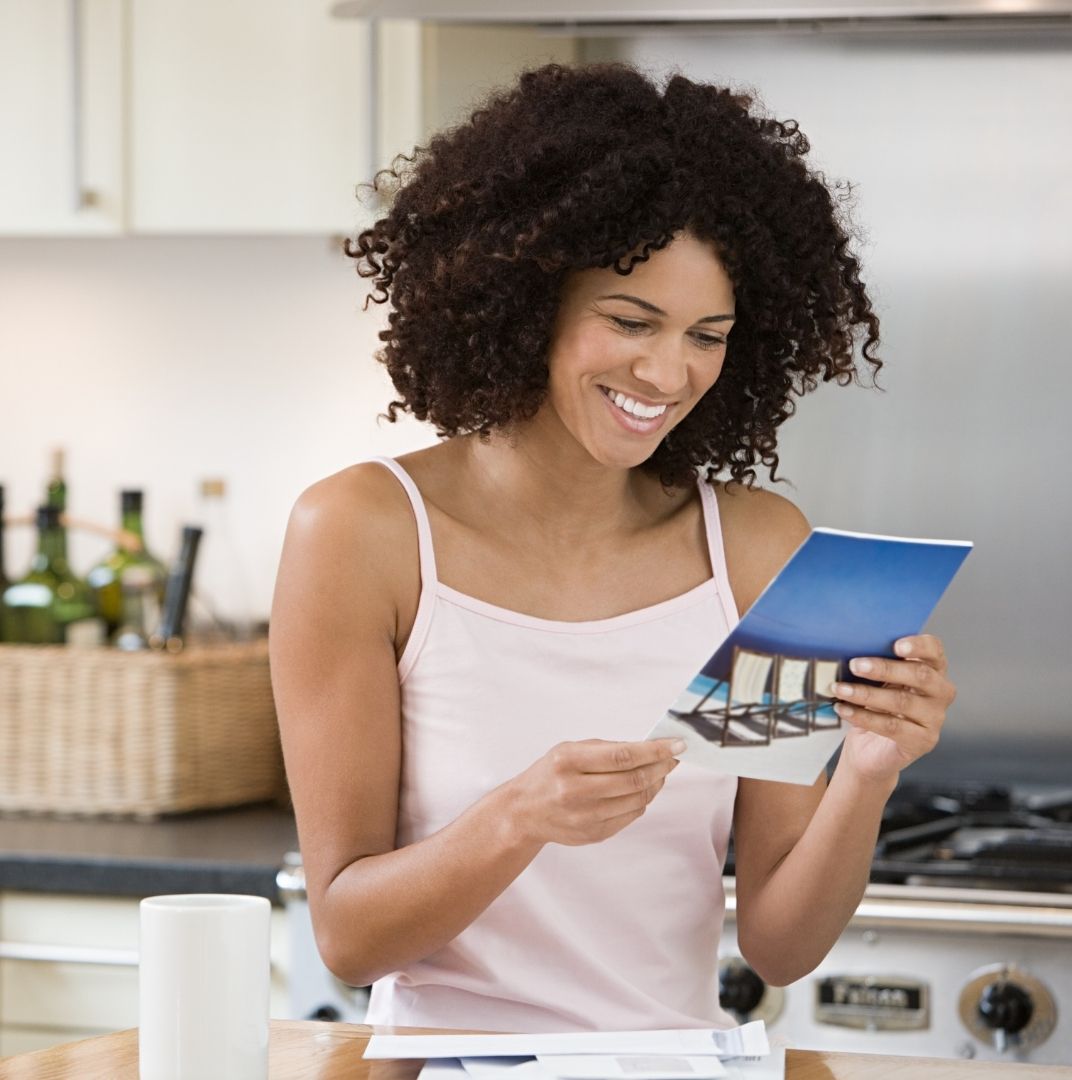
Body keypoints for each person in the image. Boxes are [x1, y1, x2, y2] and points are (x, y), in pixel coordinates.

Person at [269, 62, 956, 1033]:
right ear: (526, 299)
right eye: (631, 321)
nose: (668, 372)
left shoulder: (757, 548)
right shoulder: (364, 533)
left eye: (707, 335)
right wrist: (517, 818)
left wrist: (870, 770)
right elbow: (346, 937)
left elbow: (779, 943)